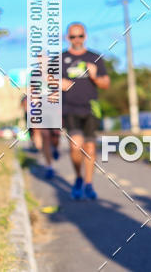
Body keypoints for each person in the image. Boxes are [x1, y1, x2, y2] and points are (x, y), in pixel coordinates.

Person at [61, 22, 110, 200]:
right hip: (70, 108)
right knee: (76, 145)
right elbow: (46, 81)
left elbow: (106, 84)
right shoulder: (60, 59)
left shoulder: (95, 57)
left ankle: (89, 184)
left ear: (85, 36)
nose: (77, 39)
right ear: (67, 37)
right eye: (73, 36)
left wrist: (94, 76)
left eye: (80, 36)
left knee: (89, 147)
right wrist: (56, 83)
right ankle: (78, 178)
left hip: (91, 108)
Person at [20, 94, 61, 178]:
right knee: (45, 137)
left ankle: (55, 149)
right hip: (39, 116)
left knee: (55, 138)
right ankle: (49, 167)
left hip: (51, 112)